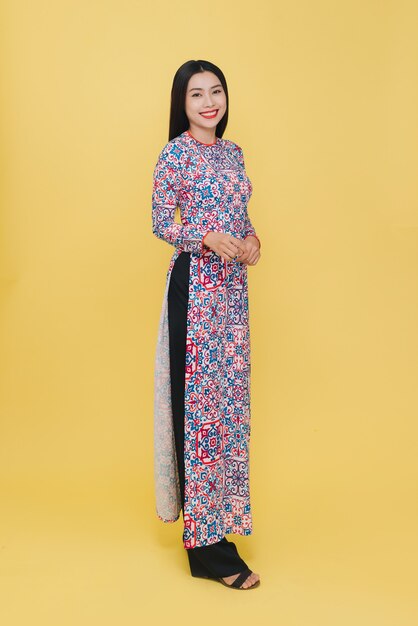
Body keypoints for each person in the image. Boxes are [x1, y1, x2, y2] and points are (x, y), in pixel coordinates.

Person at [151, 59, 261, 590]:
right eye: (196, 94)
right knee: (198, 412)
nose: (208, 102)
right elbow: (160, 220)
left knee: (227, 410)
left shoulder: (234, 153)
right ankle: (204, 546)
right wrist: (206, 239)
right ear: (183, 103)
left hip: (232, 296)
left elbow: (242, 220)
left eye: (215, 91)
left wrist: (252, 241)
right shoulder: (175, 153)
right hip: (194, 289)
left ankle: (221, 525)